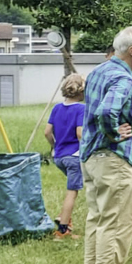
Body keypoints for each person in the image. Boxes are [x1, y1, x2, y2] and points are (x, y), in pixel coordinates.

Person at [80, 25, 132, 264]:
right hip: (114, 160)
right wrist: (113, 133)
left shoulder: (99, 71)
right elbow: (106, 111)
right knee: (116, 225)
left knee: (98, 221)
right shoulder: (124, 78)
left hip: (92, 158)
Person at [45, 73, 87, 239]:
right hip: (74, 156)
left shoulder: (57, 108)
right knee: (72, 191)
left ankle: (63, 216)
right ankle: (63, 229)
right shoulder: (81, 109)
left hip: (59, 157)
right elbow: (80, 133)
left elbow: (47, 132)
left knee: (72, 186)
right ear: (81, 91)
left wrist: (55, 146)